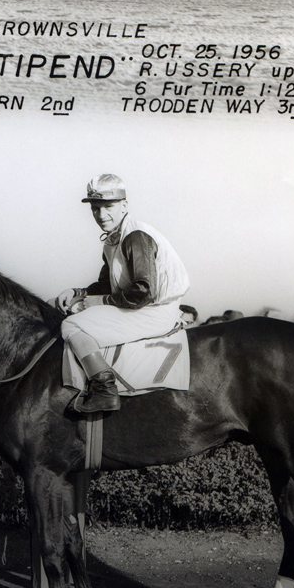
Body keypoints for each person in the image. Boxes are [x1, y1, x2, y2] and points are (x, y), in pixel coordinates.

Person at [56, 174, 190, 413]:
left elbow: (144, 291)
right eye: (95, 208)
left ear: (124, 206)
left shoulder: (135, 236)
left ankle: (104, 389)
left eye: (108, 206)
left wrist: (100, 301)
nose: (101, 214)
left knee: (72, 325)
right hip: (140, 307)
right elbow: (105, 286)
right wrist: (76, 292)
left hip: (154, 310)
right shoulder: (113, 240)